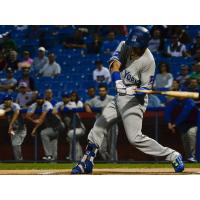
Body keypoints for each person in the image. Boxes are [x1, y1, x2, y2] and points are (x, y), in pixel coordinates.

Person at [71, 26, 184, 174]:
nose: (133, 48)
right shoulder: (126, 44)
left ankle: (173, 155)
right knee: (99, 126)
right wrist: (118, 81)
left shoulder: (149, 61)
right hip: (120, 94)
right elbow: (114, 64)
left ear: (144, 45)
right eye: (132, 44)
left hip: (135, 101)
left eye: (136, 46)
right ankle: (87, 161)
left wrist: (135, 91)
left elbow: (144, 91)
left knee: (134, 138)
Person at [84, 84, 118, 161]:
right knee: (101, 148)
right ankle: (108, 162)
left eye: (103, 90)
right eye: (100, 91)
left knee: (112, 147)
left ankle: (114, 163)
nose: (101, 92)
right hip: (101, 127)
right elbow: (87, 102)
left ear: (106, 91)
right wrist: (86, 106)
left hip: (112, 125)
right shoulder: (95, 99)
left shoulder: (111, 98)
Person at [26, 94, 63, 161]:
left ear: (43, 99)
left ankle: (48, 155)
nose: (39, 100)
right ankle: (53, 160)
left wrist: (35, 129)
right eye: (38, 99)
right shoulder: (35, 105)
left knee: (43, 133)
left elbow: (42, 119)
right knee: (53, 140)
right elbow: (27, 115)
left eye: (40, 99)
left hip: (57, 125)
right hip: (53, 126)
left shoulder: (47, 104)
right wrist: (33, 120)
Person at [53, 92, 85, 161]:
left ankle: (73, 157)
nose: (65, 99)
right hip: (72, 128)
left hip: (79, 127)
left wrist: (60, 109)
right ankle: (79, 157)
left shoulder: (72, 104)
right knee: (74, 141)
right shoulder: (60, 104)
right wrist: (56, 110)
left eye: (67, 97)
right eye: (64, 97)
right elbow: (54, 109)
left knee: (70, 135)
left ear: (69, 98)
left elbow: (66, 109)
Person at [165, 98, 197, 162]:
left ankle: (194, 157)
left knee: (191, 133)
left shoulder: (189, 100)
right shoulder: (175, 100)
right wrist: (169, 122)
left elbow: (185, 113)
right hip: (184, 125)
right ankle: (190, 158)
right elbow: (168, 110)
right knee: (185, 139)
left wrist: (175, 124)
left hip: (195, 123)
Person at [0, 95, 26, 160]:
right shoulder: (2, 106)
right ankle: (18, 160)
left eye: (8, 100)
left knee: (15, 144)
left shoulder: (15, 105)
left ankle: (19, 161)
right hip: (12, 130)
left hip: (20, 129)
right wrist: (5, 111)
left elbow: (17, 113)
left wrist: (10, 124)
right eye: (5, 100)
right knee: (14, 144)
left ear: (11, 101)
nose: (7, 101)